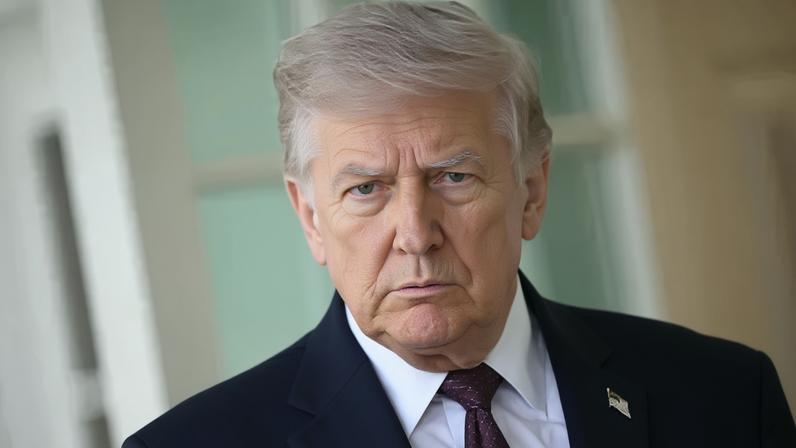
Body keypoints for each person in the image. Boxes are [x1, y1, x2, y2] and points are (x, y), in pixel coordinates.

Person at [123, 2, 796, 447]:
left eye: (453, 177)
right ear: (310, 218)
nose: (416, 233)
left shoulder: (727, 396)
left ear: (531, 190)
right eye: (366, 188)